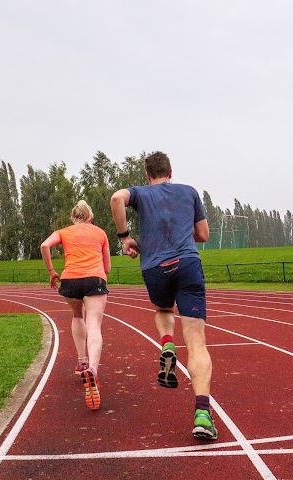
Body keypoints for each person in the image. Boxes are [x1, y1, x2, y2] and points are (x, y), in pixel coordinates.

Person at [110, 151, 217, 440]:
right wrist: (181, 231)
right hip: (188, 264)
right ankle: (203, 414)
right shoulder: (189, 192)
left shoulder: (141, 194)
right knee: (196, 342)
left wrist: (125, 238)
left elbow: (116, 199)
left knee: (164, 310)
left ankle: (167, 344)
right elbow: (204, 234)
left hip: (156, 267)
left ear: (147, 175)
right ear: (171, 171)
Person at [41, 200, 111, 411]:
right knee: (94, 326)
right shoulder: (100, 233)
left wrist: (52, 271)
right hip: (94, 279)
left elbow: (44, 245)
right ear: (90, 217)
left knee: (77, 316)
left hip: (70, 279)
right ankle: (93, 371)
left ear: (73, 217)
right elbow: (107, 267)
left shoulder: (64, 232)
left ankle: (82, 361)